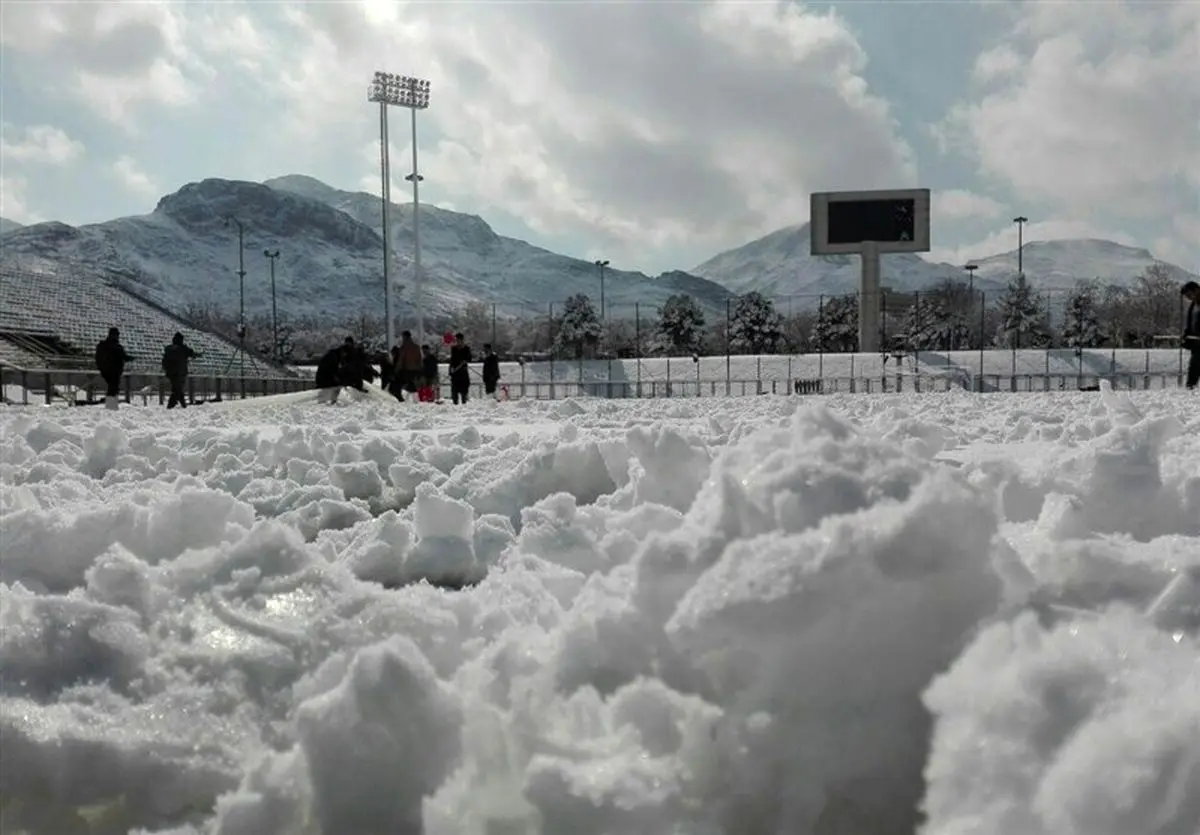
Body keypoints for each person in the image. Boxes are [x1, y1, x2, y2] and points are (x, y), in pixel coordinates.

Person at [95, 326, 133, 411]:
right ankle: (111, 406)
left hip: (105, 371)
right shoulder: (117, 347)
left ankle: (111, 406)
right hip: (114, 371)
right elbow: (124, 357)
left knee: (112, 388)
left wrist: (101, 368)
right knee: (113, 389)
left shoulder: (102, 345)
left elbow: (98, 358)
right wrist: (131, 358)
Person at [161, 332, 199, 409]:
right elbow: (192, 354)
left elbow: (164, 360)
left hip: (170, 373)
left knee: (177, 388)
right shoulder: (183, 348)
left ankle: (183, 405)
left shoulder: (168, 348)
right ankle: (170, 406)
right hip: (180, 372)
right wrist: (198, 354)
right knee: (177, 389)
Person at [395, 330, 423, 395]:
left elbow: (400, 360)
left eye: (403, 337)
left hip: (407, 371)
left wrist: (396, 370)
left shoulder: (404, 347)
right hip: (416, 370)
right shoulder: (416, 347)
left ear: (405, 337)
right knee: (415, 389)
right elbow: (420, 359)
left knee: (404, 388)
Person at [1183, 281, 1199, 390]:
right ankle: (1190, 387)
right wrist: (1186, 335)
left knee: (1195, 364)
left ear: (1196, 290)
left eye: (1189, 294)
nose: (1188, 298)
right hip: (1196, 342)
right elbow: (1191, 323)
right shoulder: (1193, 306)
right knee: (1195, 364)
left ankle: (1190, 386)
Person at [449, 332, 472, 404]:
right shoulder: (453, 349)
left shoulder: (467, 349)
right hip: (455, 373)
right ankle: (455, 404)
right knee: (454, 391)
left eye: (458, 340)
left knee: (464, 391)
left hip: (463, 372)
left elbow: (469, 359)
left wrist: (464, 361)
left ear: (462, 340)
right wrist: (451, 370)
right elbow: (452, 360)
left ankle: (464, 404)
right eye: (456, 340)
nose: (457, 341)